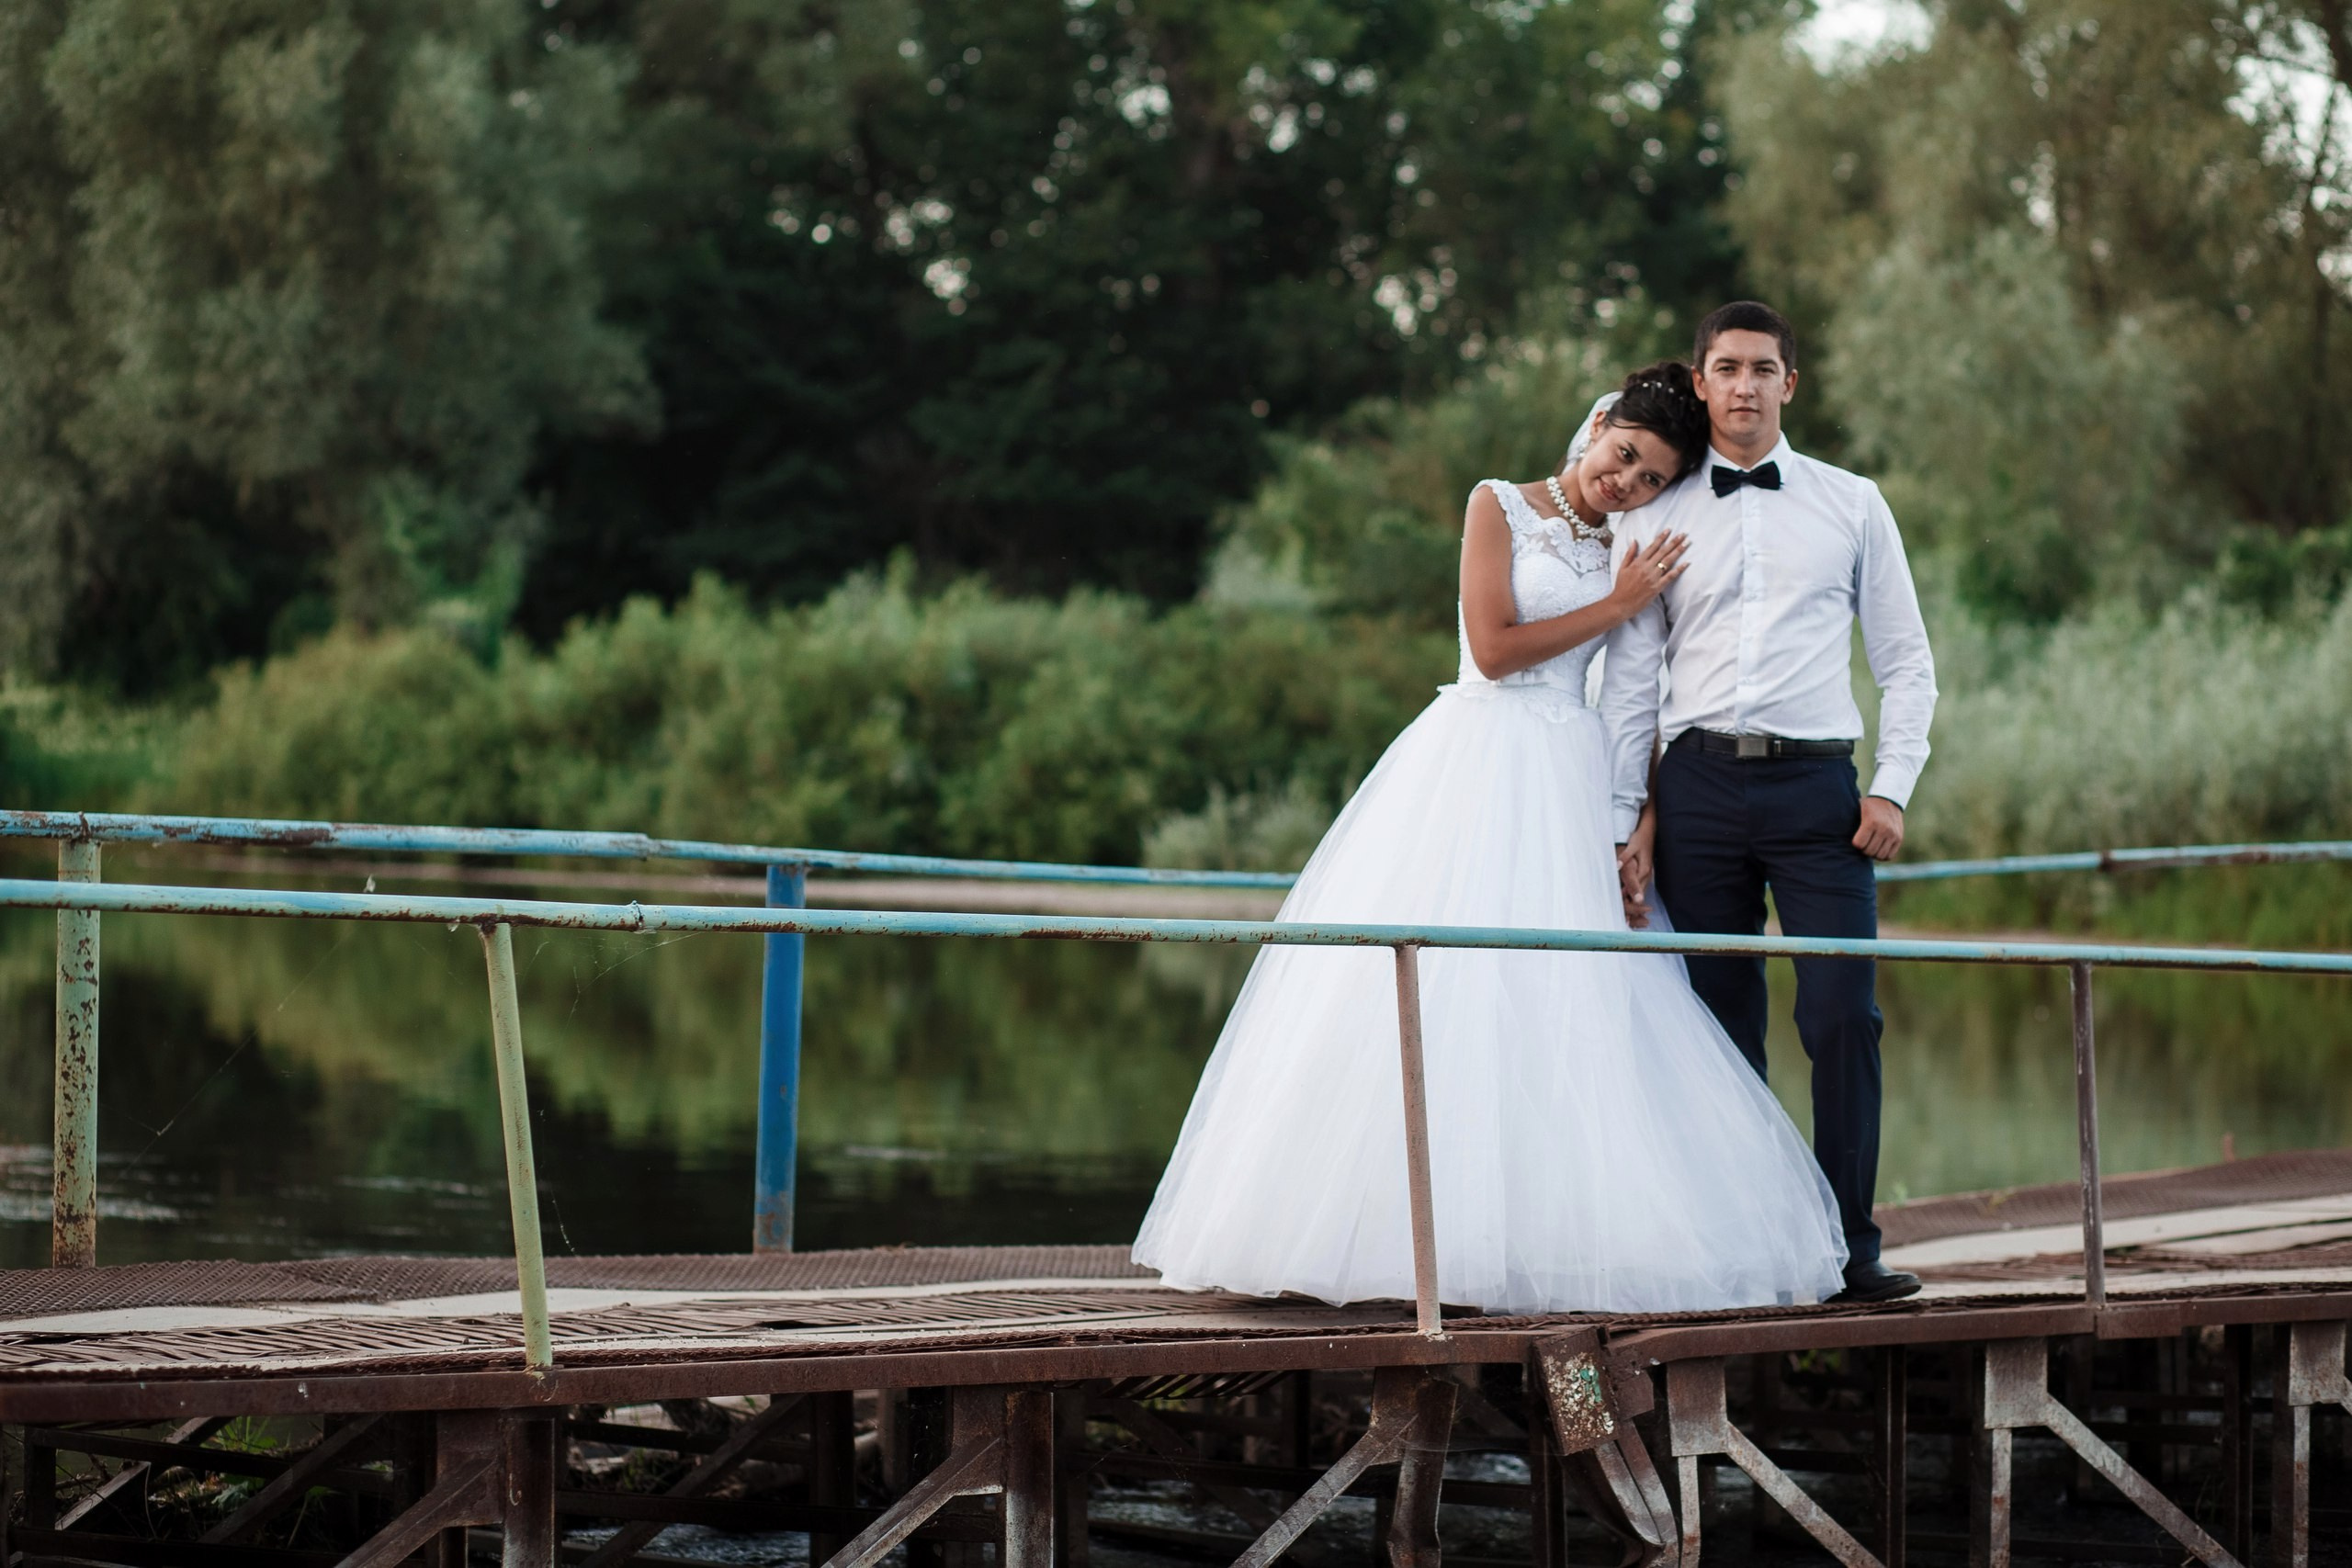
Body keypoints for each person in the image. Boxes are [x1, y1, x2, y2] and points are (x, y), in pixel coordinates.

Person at [1134, 363, 1849, 1316]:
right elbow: (1494, 645)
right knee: (1441, 986)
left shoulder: (1637, 544)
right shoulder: (1499, 507)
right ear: (1596, 426)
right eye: (1623, 456)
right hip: (1474, 766)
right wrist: (1618, 602)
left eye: (1647, 479)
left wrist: (1635, 821)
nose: (1625, 483)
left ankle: (1544, 1241)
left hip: (1576, 781)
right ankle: (1381, 1240)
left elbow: (1640, 696)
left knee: (1571, 1003)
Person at [1601, 301, 1939, 1304]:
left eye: (1762, 368)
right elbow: (1630, 682)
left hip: (1817, 795)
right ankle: (1738, 1249)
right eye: (1725, 367)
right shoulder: (1654, 512)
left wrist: (1891, 785)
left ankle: (1849, 1247)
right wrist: (1629, 820)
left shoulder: (1851, 503)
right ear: (1699, 383)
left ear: (1790, 384)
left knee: (1842, 1017)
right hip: (1695, 788)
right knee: (1716, 1023)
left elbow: (1907, 662)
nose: (1743, 385)